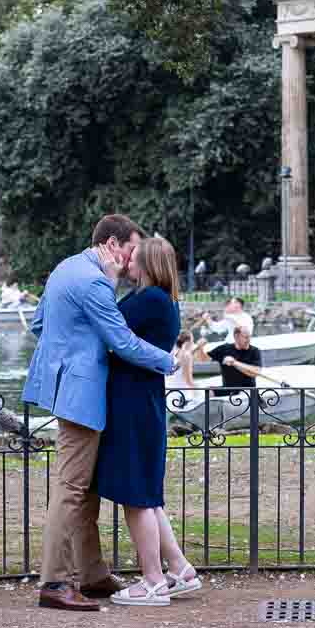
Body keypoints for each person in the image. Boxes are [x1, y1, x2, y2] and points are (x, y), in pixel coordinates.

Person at [21, 214, 175, 612]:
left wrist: (69, 351)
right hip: (82, 394)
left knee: (86, 490)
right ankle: (55, 582)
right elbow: (122, 341)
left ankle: (91, 574)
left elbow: (40, 323)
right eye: (128, 251)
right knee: (72, 489)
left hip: (68, 387)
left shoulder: (65, 267)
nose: (128, 262)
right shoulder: (94, 280)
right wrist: (167, 361)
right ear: (111, 243)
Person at [94, 237, 202, 606]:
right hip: (144, 402)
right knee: (148, 497)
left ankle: (153, 580)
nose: (128, 264)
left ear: (151, 264)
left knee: (136, 497)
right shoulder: (164, 300)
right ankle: (180, 568)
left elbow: (106, 321)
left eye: (134, 259)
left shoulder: (149, 299)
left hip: (133, 404)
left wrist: (108, 279)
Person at [196, 324, 262, 397]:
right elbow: (203, 359)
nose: (249, 340)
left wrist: (234, 363)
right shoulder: (224, 349)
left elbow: (256, 372)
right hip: (228, 389)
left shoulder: (254, 351)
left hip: (247, 390)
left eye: (250, 337)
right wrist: (200, 348)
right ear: (236, 337)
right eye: (246, 337)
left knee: (242, 395)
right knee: (208, 392)